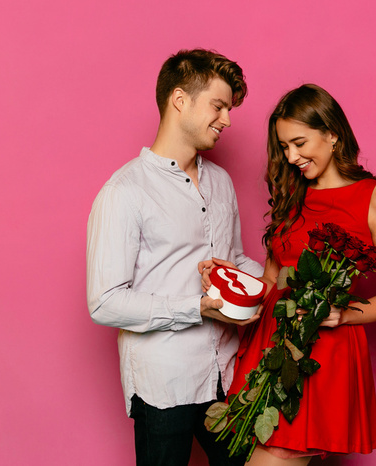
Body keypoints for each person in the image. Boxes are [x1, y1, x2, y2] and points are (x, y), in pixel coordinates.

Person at [206, 84, 376, 465]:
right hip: (270, 344)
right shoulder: (292, 196)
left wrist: (343, 314)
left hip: (322, 350)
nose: (292, 156)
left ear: (332, 134)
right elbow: (271, 282)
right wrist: (229, 281)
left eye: (299, 142)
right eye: (284, 147)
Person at [86, 49, 263, 466]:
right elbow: (104, 300)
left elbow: (234, 259)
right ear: (180, 100)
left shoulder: (221, 181)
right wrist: (197, 308)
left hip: (225, 375)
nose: (228, 120)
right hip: (164, 383)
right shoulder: (124, 192)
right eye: (218, 106)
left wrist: (270, 281)